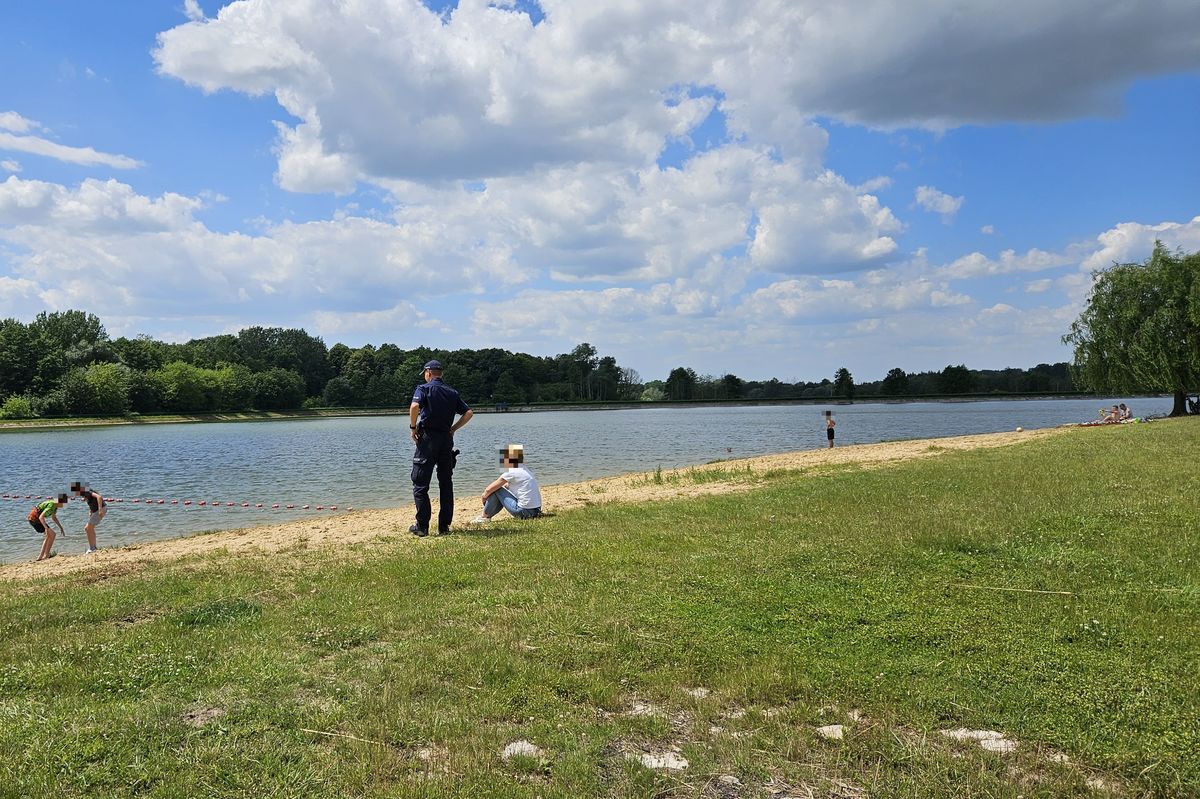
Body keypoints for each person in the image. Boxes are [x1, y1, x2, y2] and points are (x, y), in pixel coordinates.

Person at [409, 359, 473, 536]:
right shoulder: (452, 392)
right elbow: (469, 413)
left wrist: (413, 428)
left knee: (420, 484)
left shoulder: (423, 388)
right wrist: (453, 429)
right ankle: (444, 526)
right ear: (441, 373)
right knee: (446, 483)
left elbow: (414, 406)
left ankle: (422, 526)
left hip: (427, 440)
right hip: (446, 440)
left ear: (428, 372)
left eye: (424, 373)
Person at [472, 444, 543, 523]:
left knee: (497, 490)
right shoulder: (525, 469)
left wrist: (484, 498)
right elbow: (511, 485)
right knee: (498, 489)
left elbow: (489, 490)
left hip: (524, 512)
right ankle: (487, 515)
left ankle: (484, 517)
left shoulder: (511, 472)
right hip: (536, 510)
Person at [29, 494, 68, 562]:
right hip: (34, 519)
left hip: (37, 519)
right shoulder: (51, 505)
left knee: (50, 535)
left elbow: (54, 518)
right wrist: (46, 528)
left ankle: (43, 556)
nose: (64, 505)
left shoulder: (55, 506)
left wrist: (61, 527)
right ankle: (44, 555)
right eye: (64, 502)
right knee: (52, 535)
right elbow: (41, 517)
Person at [71, 480, 105, 554]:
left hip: (100, 510)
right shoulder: (84, 493)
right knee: (89, 528)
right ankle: (93, 547)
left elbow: (99, 497)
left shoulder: (87, 492)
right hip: (95, 511)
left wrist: (100, 510)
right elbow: (91, 502)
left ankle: (92, 548)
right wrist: (90, 510)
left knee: (87, 528)